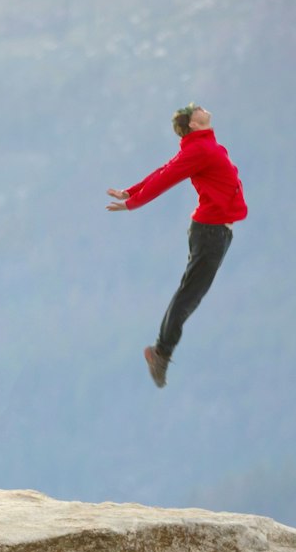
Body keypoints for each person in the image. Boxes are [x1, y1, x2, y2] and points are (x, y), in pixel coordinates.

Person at [106, 103, 247, 388]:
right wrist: (133, 202)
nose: (202, 109)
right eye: (197, 110)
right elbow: (168, 177)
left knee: (190, 293)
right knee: (189, 295)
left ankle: (161, 350)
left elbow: (164, 169)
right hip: (211, 232)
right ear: (193, 124)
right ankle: (161, 352)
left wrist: (132, 190)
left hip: (216, 231)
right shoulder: (200, 150)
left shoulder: (202, 146)